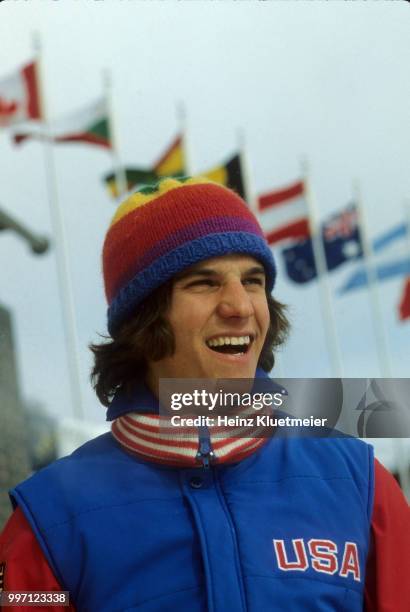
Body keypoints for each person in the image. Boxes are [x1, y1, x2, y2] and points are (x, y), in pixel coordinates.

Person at [0, 176, 409, 611]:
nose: (240, 306)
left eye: (253, 281)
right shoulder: (50, 517)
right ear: (146, 317)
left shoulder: (359, 482)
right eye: (204, 283)